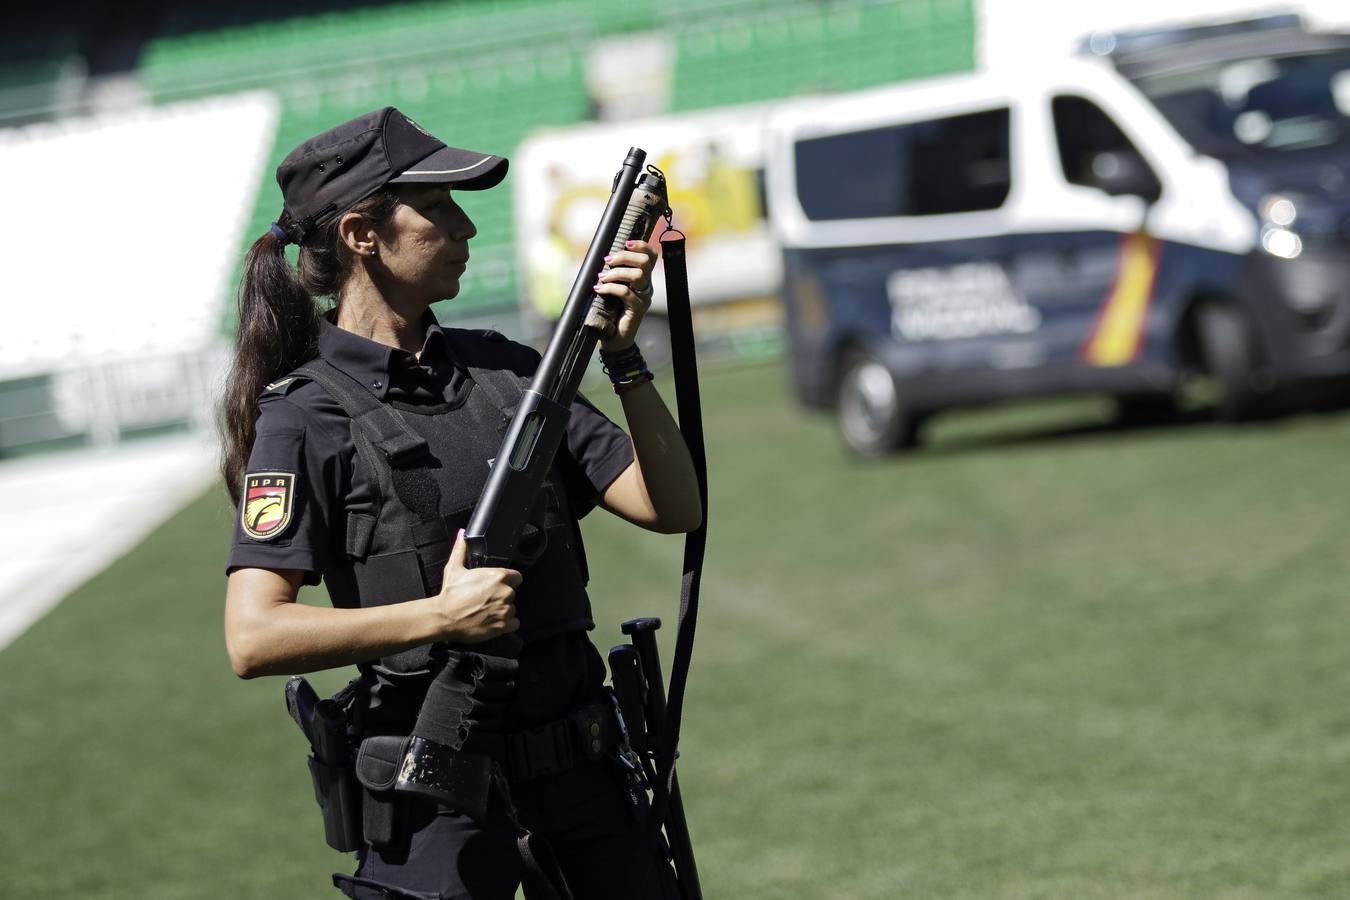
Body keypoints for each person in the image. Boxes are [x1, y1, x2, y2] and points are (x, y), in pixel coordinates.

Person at [220, 107, 700, 900]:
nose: (466, 227)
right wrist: (440, 619)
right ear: (359, 235)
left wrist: (622, 356)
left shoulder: (510, 373)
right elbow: (253, 634)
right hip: (430, 804)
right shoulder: (304, 416)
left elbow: (673, 507)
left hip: (587, 786)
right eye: (438, 209)